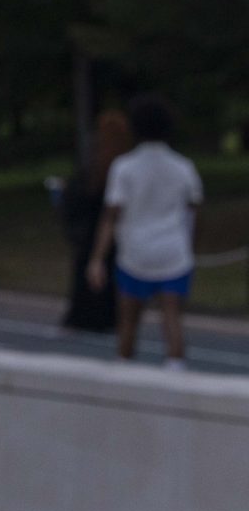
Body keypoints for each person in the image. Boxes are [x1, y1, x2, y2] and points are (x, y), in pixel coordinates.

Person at [88, 95, 203, 368]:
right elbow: (194, 208)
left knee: (128, 321)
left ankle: (124, 372)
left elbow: (111, 216)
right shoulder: (183, 166)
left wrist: (97, 259)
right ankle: (176, 371)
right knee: (172, 318)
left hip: (135, 251)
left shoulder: (124, 167)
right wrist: (190, 244)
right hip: (173, 250)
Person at [60, 110, 132, 331]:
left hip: (91, 229)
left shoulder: (96, 167)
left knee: (89, 272)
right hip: (110, 230)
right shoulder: (120, 166)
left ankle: (84, 315)